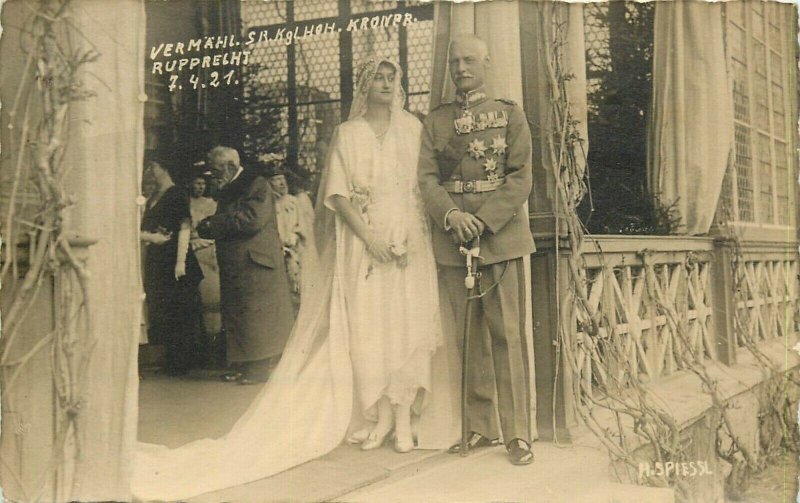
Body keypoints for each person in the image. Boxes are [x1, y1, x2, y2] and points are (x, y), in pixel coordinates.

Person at [132, 57, 460, 502]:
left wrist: (403, 235)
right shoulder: (349, 133)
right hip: (362, 244)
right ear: (364, 85)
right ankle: (379, 414)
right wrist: (369, 238)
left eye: (391, 77)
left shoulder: (412, 129)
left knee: (405, 324)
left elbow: (422, 188)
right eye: (377, 78)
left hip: (408, 242)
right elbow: (338, 195)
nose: (385, 84)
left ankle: (403, 416)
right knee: (368, 328)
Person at [417, 34, 536, 466]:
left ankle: (518, 434)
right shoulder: (436, 122)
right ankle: (480, 427)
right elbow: (427, 179)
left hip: (498, 238)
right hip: (453, 240)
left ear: (486, 63)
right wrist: (451, 216)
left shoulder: (509, 115)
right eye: (455, 62)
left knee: (506, 336)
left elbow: (521, 178)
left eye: (470, 60)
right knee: (467, 339)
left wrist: (482, 221)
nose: (462, 68)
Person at [195, 146, 295, 385]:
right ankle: (245, 365)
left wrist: (212, 224)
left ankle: (258, 369)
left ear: (230, 166)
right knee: (241, 314)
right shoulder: (234, 186)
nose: (213, 176)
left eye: (216, 170)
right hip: (243, 263)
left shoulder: (256, 184)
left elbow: (251, 219)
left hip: (256, 263)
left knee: (255, 317)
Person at [139, 158, 204, 376]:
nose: (151, 171)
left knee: (180, 309)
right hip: (158, 258)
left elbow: (184, 227)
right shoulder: (153, 198)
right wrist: (149, 236)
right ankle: (172, 358)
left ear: (165, 169)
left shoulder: (176, 194)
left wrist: (181, 261)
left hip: (175, 259)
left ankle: (182, 361)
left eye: (154, 167)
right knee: (165, 308)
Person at [266, 163, 313, 309]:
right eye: (277, 179)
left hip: (295, 252)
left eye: (283, 179)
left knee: (297, 289)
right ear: (269, 183)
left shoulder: (294, 202)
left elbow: (304, 228)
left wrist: (295, 237)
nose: (282, 183)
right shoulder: (268, 205)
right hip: (275, 252)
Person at [188, 174, 222, 363]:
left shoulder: (211, 204)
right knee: (196, 298)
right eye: (197, 183)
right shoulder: (186, 203)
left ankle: (213, 346)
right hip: (192, 249)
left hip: (209, 251)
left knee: (212, 297)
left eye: (203, 184)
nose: (200, 187)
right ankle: (197, 347)